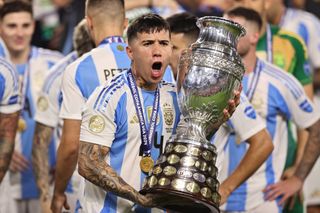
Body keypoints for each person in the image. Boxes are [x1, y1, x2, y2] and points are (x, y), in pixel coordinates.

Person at [166, 12, 274, 205]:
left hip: (198, 199)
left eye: (172, 47)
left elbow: (263, 142)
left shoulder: (219, 88)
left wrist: (227, 188)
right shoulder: (164, 86)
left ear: (189, 52)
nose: (164, 52)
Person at [220, 7, 320, 212]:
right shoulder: (212, 80)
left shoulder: (279, 81)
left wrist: (298, 179)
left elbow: (316, 128)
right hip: (215, 198)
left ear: (255, 36)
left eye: (235, 30)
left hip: (261, 201)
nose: (227, 37)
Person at [51, 0, 131, 212]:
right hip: (146, 197)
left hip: (99, 202)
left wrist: (58, 192)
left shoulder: (78, 69)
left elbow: (70, 146)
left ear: (88, 23)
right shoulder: (155, 65)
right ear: (125, 23)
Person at [0, 1, 63, 212]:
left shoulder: (56, 64)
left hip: (46, 179)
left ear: (34, 27)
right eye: (12, 26)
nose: (19, 33)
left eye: (25, 25)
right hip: (5, 181)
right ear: (0, 27)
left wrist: (63, 160)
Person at [32, 19, 94, 213]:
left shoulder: (122, 66)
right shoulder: (57, 76)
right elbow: (41, 141)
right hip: (71, 186)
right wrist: (45, 195)